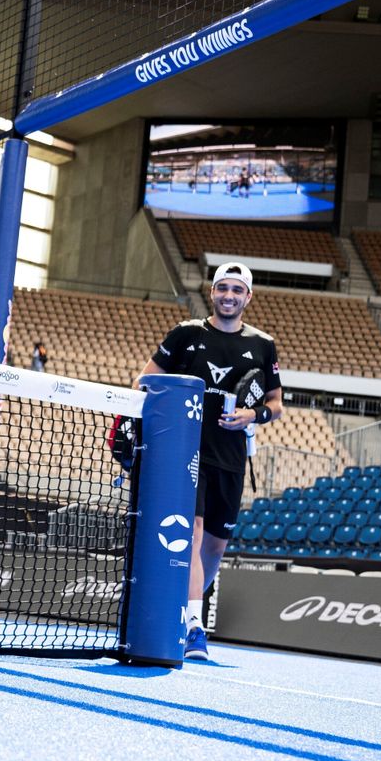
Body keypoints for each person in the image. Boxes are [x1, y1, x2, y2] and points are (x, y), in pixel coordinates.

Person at [139, 261, 282, 662]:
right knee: (195, 531)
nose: (229, 296)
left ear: (248, 297)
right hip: (186, 453)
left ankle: (187, 609)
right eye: (223, 288)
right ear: (212, 291)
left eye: (237, 290)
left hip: (232, 457)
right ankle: (192, 627)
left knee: (215, 547)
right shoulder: (187, 334)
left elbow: (276, 404)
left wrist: (252, 416)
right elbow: (145, 380)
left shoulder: (262, 344)